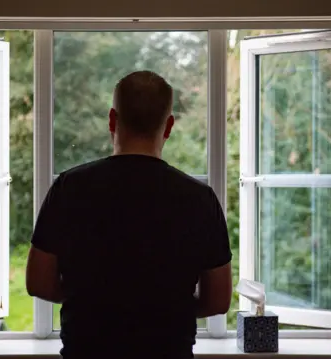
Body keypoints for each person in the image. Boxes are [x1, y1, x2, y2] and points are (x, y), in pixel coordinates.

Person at [25, 71, 232, 359]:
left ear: (112, 119)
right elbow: (219, 300)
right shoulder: (199, 199)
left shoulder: (69, 188)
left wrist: (90, 301)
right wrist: (167, 308)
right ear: (169, 126)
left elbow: (37, 281)